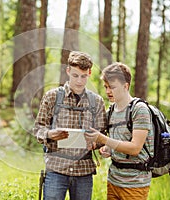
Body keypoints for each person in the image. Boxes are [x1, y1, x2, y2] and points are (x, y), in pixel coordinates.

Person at [33, 51, 107, 200]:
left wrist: (95, 143)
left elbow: (102, 135)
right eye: (75, 75)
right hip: (56, 169)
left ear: (89, 73)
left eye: (83, 76)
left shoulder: (97, 101)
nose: (79, 81)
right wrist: (49, 134)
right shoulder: (52, 96)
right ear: (68, 71)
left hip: (84, 172)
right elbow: (38, 129)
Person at [84, 62, 154, 200]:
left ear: (125, 86)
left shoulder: (139, 110)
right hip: (113, 181)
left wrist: (104, 140)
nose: (108, 91)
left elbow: (135, 149)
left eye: (112, 87)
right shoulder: (111, 110)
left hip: (135, 185)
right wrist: (107, 149)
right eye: (106, 87)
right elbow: (117, 141)